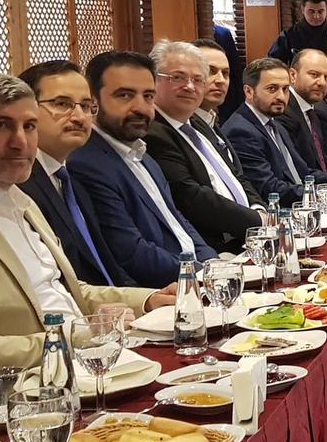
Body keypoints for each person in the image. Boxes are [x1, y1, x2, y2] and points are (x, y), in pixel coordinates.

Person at [0, 72, 167, 383]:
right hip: (28, 391)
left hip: (89, 364)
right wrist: (83, 334)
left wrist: (148, 301)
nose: (21, 142)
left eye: (29, 126)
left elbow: (67, 291)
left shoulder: (16, 195)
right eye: (1, 126)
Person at [68, 50, 216, 287]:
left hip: (195, 276)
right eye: (125, 95)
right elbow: (130, 252)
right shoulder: (87, 164)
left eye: (148, 96)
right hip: (160, 292)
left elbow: (177, 221)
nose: (141, 107)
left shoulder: (143, 154)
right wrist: (202, 274)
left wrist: (212, 262)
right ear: (93, 101)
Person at [15, 60, 135, 287]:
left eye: (87, 106)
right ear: (26, 111)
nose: (79, 117)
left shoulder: (73, 181)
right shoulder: (19, 186)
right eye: (62, 104)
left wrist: (149, 298)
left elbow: (107, 268)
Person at [142, 41, 261, 255]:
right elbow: (191, 198)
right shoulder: (153, 133)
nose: (189, 86)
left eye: (197, 79)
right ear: (153, 80)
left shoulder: (197, 123)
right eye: (178, 77)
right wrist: (259, 221)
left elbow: (236, 177)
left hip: (248, 237)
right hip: (214, 248)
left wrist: (260, 209)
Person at [223, 58, 320, 205]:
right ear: (249, 91)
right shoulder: (241, 131)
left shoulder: (275, 124)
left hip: (301, 204)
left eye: (285, 89)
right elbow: (268, 188)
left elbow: (304, 172)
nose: (281, 96)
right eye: (272, 89)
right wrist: (317, 194)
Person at [276, 49, 327, 178]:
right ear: (293, 75)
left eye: (326, 77)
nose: (322, 83)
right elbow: (300, 170)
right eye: (314, 75)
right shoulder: (282, 110)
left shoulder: (319, 110)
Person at [192, 38, 233, 127]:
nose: (221, 80)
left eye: (225, 73)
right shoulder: (179, 126)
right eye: (210, 71)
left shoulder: (211, 120)